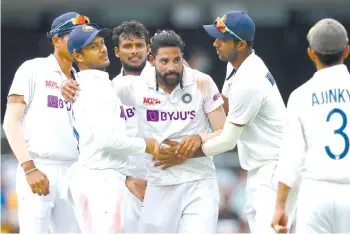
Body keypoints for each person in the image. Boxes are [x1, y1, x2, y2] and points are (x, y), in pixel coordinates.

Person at [113, 30, 226, 233]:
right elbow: (91, 98)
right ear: (151, 59)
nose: (172, 67)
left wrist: (200, 139)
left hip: (199, 183)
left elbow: (224, 132)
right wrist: (68, 84)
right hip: (158, 184)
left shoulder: (202, 82)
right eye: (164, 61)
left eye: (177, 60)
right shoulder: (133, 86)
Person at [200, 11, 296, 233]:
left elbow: (227, 142)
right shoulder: (235, 64)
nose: (215, 43)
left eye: (222, 39)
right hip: (258, 168)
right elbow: (223, 108)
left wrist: (187, 149)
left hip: (274, 170)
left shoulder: (250, 79)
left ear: (241, 44)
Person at [65, 24, 160, 234]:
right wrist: (147, 145)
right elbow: (107, 140)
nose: (102, 49)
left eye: (101, 43)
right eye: (92, 47)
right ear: (78, 56)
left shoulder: (89, 84)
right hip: (101, 177)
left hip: (101, 174)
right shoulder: (95, 87)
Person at [2, 12, 90, 234]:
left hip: (74, 171)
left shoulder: (84, 79)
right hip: (39, 167)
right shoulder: (33, 69)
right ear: (56, 40)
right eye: (73, 35)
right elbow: (10, 122)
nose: (80, 42)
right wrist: (29, 167)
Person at [271, 18, 350, 234]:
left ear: (311, 53)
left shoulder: (300, 96)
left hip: (316, 193)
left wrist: (280, 206)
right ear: (347, 51)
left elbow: (291, 158)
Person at [111, 21, 152, 233]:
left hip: (167, 179)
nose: (134, 51)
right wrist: (126, 180)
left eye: (139, 45)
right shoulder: (108, 91)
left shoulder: (169, 85)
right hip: (127, 184)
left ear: (149, 48)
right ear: (117, 52)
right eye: (127, 46)